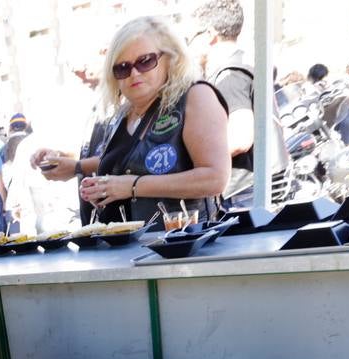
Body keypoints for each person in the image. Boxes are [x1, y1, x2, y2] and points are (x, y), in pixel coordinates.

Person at [31, 16, 231, 224]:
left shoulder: (196, 96)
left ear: (170, 58)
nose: (134, 74)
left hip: (179, 246)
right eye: (123, 68)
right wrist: (76, 167)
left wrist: (132, 186)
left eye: (145, 61)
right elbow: (132, 159)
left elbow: (215, 178)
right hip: (123, 249)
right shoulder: (122, 112)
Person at [188, 0, 287, 209]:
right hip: (257, 183)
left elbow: (240, 138)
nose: (189, 46)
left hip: (244, 191)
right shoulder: (244, 64)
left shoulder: (228, 75)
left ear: (209, 35)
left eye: (191, 38)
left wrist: (197, 160)